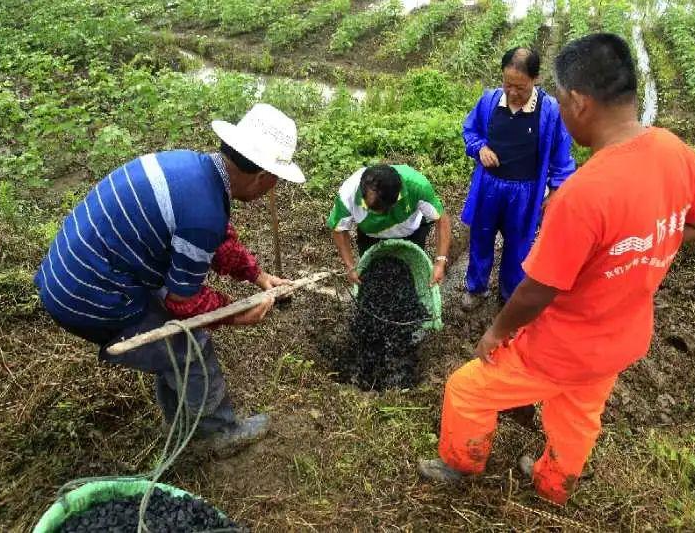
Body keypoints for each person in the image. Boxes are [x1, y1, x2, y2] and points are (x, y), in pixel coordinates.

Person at [418, 33, 695, 505]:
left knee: (467, 389)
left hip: (564, 346)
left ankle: (462, 462)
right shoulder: (674, 150)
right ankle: (554, 484)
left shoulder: (583, 193)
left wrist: (496, 332)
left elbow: (538, 289)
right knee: (579, 412)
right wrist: (641, 250)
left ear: (578, 101)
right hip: (621, 339)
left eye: (559, 96)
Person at [34, 104, 306, 452]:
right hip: (87, 294)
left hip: (72, 267)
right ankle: (216, 435)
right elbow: (184, 302)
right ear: (263, 177)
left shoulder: (194, 170)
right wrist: (236, 313)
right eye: (275, 182)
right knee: (188, 345)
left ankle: (180, 420)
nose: (272, 189)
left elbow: (217, 238)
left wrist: (258, 275)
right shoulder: (203, 213)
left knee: (173, 338)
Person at [460, 47, 575, 311]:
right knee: (481, 237)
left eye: (520, 87)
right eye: (507, 84)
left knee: (518, 244)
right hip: (489, 185)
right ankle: (476, 288)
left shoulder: (550, 111)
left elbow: (561, 157)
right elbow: (470, 131)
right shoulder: (489, 101)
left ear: (535, 79)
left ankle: (509, 294)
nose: (512, 92)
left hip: (525, 191)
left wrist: (556, 191)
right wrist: (480, 148)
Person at [328, 164, 451, 285]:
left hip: (411, 232)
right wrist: (350, 266)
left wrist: (440, 262)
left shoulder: (416, 185)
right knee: (374, 278)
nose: (380, 215)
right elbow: (339, 229)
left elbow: (441, 219)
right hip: (371, 236)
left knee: (409, 274)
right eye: (373, 208)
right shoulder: (348, 192)